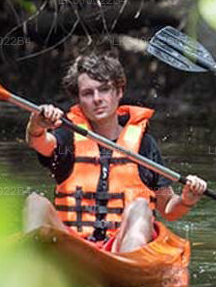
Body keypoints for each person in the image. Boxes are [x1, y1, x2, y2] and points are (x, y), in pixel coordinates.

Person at [22, 50, 206, 252]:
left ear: (119, 92)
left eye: (104, 90)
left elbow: (168, 208)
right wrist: (37, 123)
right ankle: (34, 259)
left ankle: (127, 264)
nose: (97, 99)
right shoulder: (67, 137)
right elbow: (38, 140)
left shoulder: (144, 146)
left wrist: (186, 200)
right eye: (88, 93)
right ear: (79, 99)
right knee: (35, 202)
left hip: (121, 245)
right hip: (74, 245)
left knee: (141, 207)